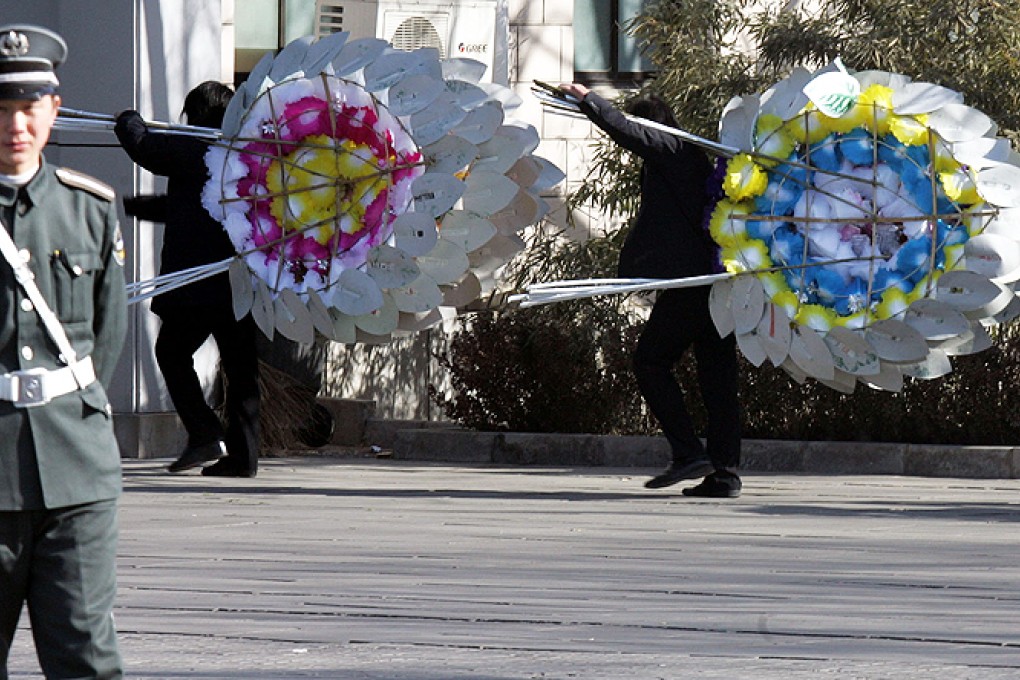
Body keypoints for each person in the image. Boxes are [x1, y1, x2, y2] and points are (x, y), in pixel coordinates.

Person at [0, 24, 128, 677]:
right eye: (1, 108)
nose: (15, 124)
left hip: (77, 472)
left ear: (53, 106)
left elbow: (106, 338)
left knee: (85, 656)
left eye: (28, 106)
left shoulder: (92, 210)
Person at [559, 83, 742, 498]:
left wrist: (589, 100)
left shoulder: (671, 149)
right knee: (718, 381)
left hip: (691, 286)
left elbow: (626, 129)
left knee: (651, 360)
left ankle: (688, 452)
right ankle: (724, 473)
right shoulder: (689, 155)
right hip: (713, 283)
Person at [115, 81, 260, 478]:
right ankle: (244, 456)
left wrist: (127, 120)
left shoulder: (200, 146)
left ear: (197, 115)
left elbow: (145, 147)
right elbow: (193, 208)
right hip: (239, 285)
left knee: (172, 353)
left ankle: (203, 432)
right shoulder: (243, 156)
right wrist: (136, 206)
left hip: (199, 287)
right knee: (241, 370)